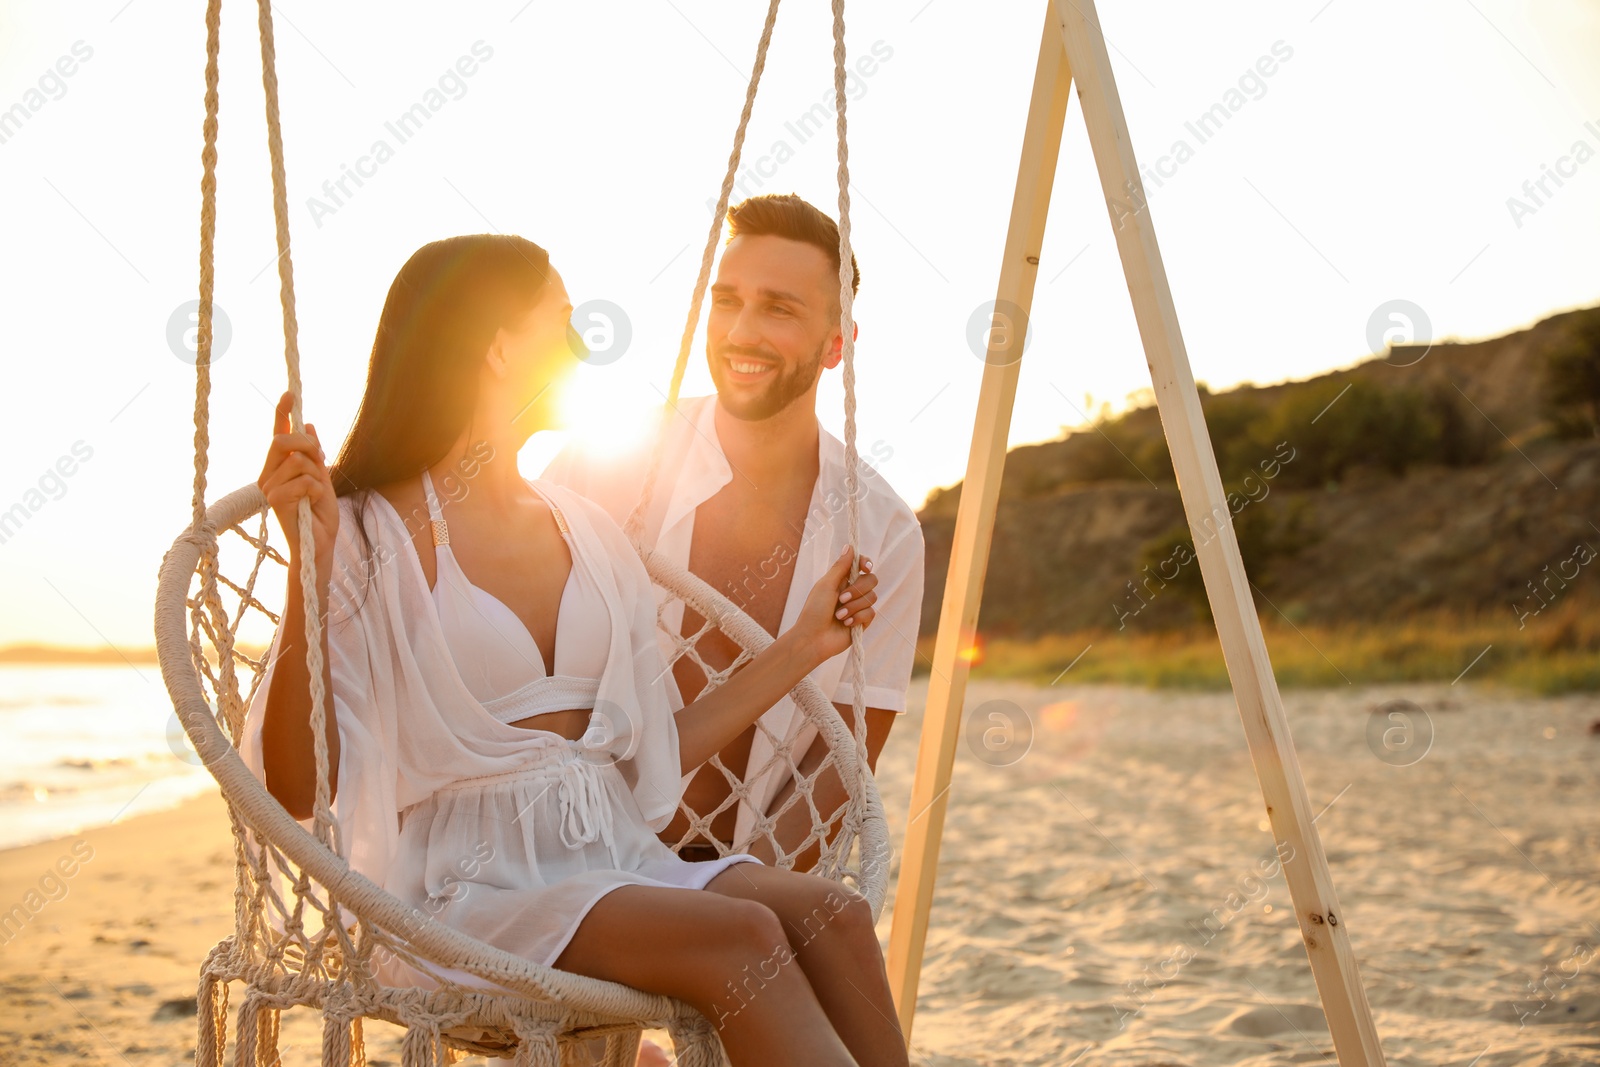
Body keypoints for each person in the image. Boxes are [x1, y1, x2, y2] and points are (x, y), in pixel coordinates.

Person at [239, 234, 910, 1067]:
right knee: (740, 934)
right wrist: (310, 567)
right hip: (467, 888)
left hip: (611, 854)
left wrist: (804, 645)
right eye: (564, 323)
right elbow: (298, 784)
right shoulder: (368, 531)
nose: (586, 347)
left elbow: (650, 753)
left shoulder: (584, 530)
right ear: (496, 346)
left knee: (832, 917)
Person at [544, 193, 925, 872]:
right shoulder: (602, 467)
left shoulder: (882, 531)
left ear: (838, 343)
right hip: (571, 860)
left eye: (779, 308)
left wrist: (748, 898)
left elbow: (842, 759)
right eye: (727, 300)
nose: (742, 330)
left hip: (746, 879)